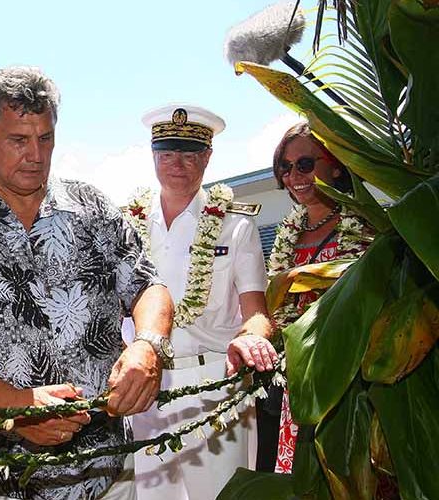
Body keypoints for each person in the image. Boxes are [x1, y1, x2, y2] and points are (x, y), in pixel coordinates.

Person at [0, 66, 174, 500]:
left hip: (107, 469)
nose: (35, 154)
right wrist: (14, 406)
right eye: (18, 140)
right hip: (2, 478)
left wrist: (148, 346)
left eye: (45, 138)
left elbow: (147, 285)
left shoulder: (93, 208)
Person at [124, 104, 277, 500]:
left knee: (223, 494)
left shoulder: (235, 225)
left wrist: (251, 338)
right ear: (153, 155)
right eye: (168, 152)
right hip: (146, 390)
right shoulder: (125, 225)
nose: (178, 163)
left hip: (216, 387)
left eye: (190, 153)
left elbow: (256, 311)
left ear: (207, 157)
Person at [258, 121, 373, 473]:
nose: (295, 176)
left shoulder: (365, 223)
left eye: (305, 164)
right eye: (286, 168)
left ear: (335, 164)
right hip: (298, 378)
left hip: (351, 375)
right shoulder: (286, 235)